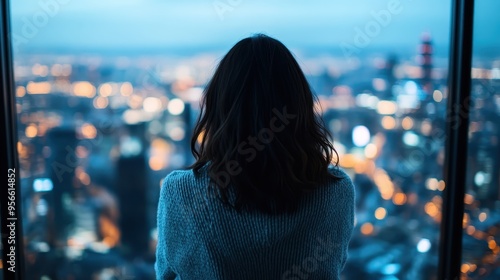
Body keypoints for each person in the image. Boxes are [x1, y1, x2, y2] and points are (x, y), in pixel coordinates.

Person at [155, 34, 355, 280]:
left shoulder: (181, 192)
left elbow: (166, 274)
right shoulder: (337, 192)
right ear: (299, 105)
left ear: (219, 105)